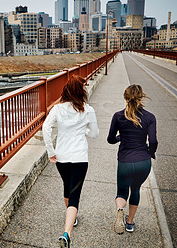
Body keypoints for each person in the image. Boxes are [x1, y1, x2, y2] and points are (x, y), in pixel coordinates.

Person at [43, 74, 99, 248]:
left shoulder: (57, 109)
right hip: (80, 158)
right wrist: (84, 132)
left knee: (67, 186)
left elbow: (46, 128)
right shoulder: (88, 110)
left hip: (62, 157)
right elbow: (95, 133)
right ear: (81, 91)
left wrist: (51, 152)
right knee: (75, 195)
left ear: (66, 90)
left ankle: (71, 218)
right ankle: (67, 233)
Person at [107, 84, 158, 234]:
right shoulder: (150, 117)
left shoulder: (118, 116)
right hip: (143, 161)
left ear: (125, 97)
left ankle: (120, 209)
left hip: (125, 161)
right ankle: (129, 223)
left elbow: (110, 139)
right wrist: (151, 152)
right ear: (141, 97)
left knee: (122, 192)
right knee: (135, 189)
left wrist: (120, 137)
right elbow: (153, 141)